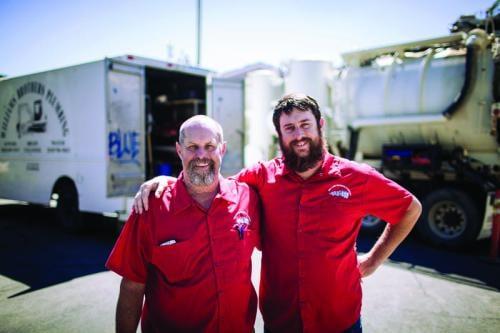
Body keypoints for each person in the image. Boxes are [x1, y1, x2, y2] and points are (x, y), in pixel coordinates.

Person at [133, 94, 422, 333]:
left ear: (320, 125)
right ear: (279, 133)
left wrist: (372, 261)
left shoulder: (356, 177)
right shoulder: (261, 176)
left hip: (339, 320)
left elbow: (410, 209)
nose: (299, 135)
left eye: (305, 124)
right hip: (281, 322)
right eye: (290, 128)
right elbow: (213, 184)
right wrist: (170, 182)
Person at [106, 115, 261, 333]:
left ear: (222, 149)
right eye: (192, 147)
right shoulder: (149, 208)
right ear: (179, 150)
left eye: (209, 146)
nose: (201, 155)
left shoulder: (248, 198)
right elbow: (132, 286)